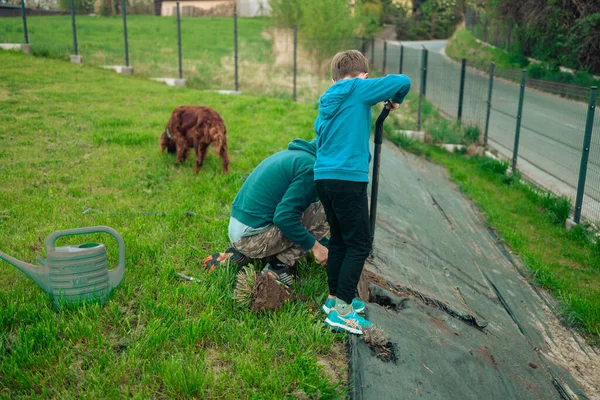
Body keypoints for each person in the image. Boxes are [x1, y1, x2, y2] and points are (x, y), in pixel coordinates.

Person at [314, 50, 411, 334]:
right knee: (360, 243)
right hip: (347, 179)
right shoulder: (359, 88)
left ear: (333, 78)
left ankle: (334, 299)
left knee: (341, 240)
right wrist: (394, 101)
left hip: (323, 177)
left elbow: (320, 135)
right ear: (364, 75)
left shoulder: (327, 101)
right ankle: (342, 311)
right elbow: (402, 80)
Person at [203, 138, 329, 286]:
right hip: (252, 238)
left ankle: (243, 255)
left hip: (240, 230)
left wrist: (326, 245)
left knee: (310, 209)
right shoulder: (310, 167)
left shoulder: (296, 155)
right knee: (329, 210)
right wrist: (316, 247)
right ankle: (279, 266)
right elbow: (284, 218)